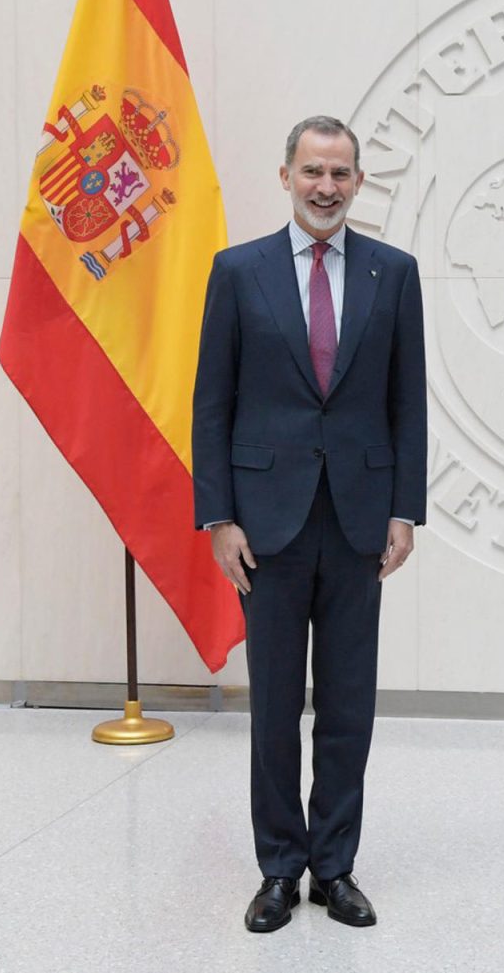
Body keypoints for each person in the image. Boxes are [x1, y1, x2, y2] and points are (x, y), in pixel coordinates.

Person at [192, 115, 426, 933]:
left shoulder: (394, 274)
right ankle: (278, 869)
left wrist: (405, 509)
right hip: (267, 525)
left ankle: (336, 865)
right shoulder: (238, 271)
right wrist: (218, 515)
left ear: (359, 182)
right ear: (285, 174)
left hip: (360, 521)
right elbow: (212, 401)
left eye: (341, 173)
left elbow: (407, 400)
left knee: (350, 705)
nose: (326, 187)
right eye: (312, 171)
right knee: (274, 706)